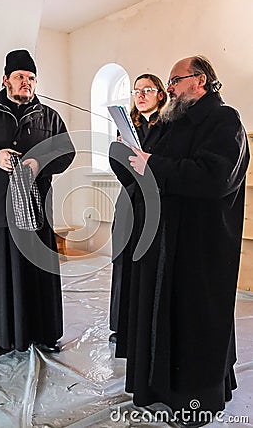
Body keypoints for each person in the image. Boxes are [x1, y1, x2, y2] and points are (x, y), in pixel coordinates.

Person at [110, 55, 250, 426]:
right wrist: (124, 149)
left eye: (175, 80)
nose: (168, 88)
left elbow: (215, 177)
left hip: (198, 248)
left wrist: (151, 164)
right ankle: (158, 390)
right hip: (160, 242)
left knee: (194, 323)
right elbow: (139, 169)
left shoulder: (224, 120)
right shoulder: (170, 123)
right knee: (160, 317)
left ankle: (196, 402)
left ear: (200, 81)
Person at [0, 49, 75, 360]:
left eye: (31, 78)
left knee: (38, 273)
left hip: (35, 211)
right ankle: (0, 336)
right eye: (20, 77)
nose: (26, 83)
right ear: (6, 80)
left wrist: (39, 163)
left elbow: (67, 153)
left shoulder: (50, 117)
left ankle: (45, 332)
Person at [108, 74, 167, 344]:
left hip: (153, 203)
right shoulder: (127, 126)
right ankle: (121, 326)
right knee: (123, 261)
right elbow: (123, 171)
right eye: (136, 91)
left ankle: (142, 327)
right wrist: (118, 149)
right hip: (129, 200)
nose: (140, 95)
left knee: (145, 262)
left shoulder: (168, 127)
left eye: (147, 89)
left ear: (161, 95)